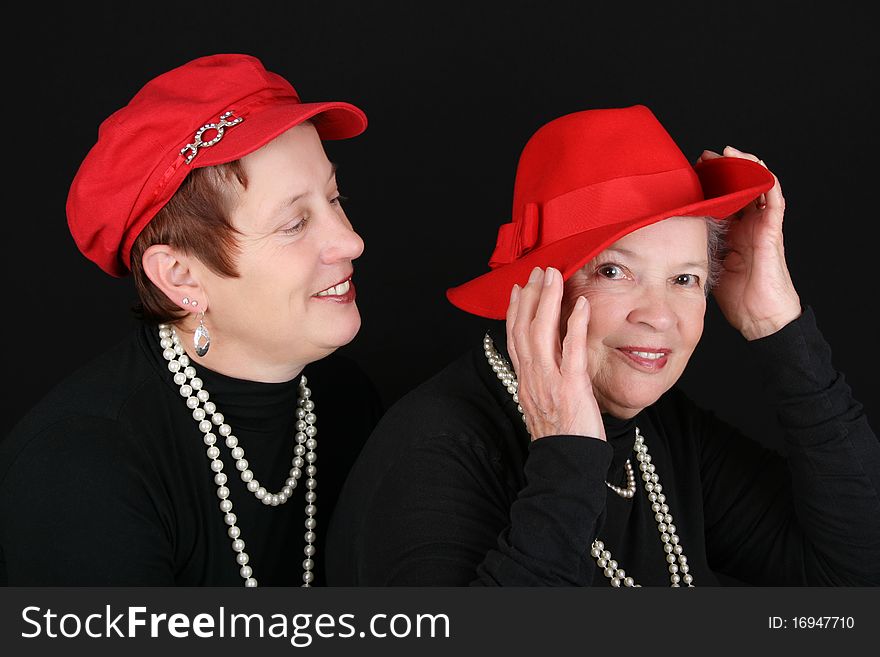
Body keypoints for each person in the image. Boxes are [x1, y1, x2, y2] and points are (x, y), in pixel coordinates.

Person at [327, 105, 880, 586]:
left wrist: (779, 327)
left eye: (685, 279)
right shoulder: (434, 454)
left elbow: (853, 573)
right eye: (615, 271)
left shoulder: (661, 432)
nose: (660, 315)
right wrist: (567, 463)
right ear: (539, 285)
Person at [0, 53, 382, 586]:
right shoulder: (81, 467)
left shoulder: (345, 399)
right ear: (180, 277)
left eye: (335, 197)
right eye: (295, 223)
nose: (351, 240)